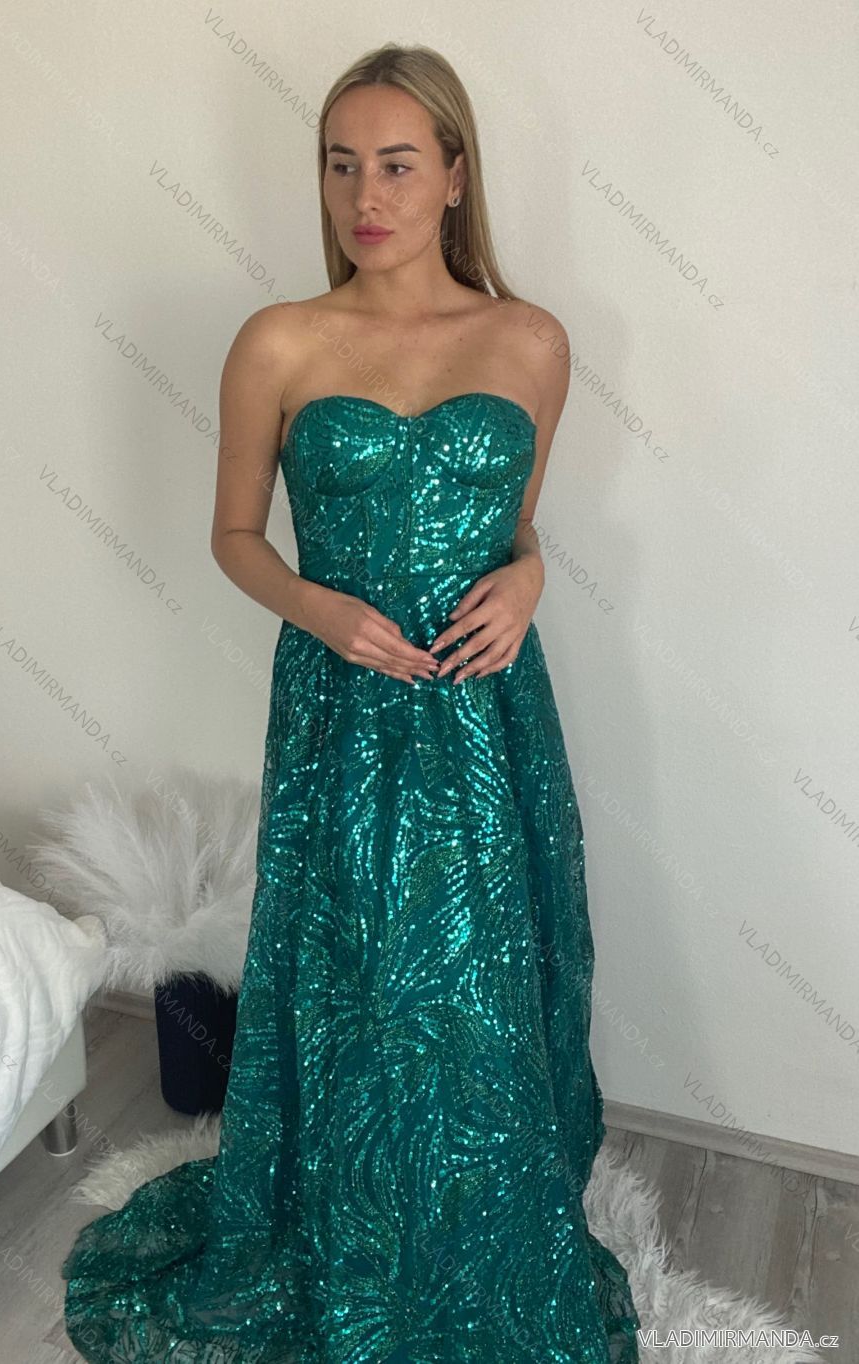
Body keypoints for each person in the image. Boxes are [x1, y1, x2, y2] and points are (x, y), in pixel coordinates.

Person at [61, 41, 642, 1363]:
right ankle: (352, 1234)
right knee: (355, 971)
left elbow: (517, 526)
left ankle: (482, 1236)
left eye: (395, 164)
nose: (364, 197)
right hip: (343, 707)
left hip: (488, 713)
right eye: (340, 166)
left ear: (455, 176)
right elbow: (233, 536)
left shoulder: (532, 341)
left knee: (485, 977)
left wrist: (533, 577)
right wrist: (319, 607)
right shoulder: (279, 340)